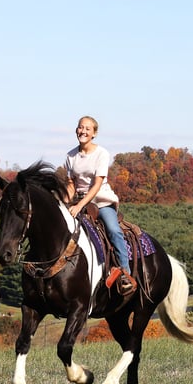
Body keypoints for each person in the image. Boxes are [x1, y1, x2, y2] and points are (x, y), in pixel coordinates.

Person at [64, 115, 134, 295]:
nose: (83, 131)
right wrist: (65, 202)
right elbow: (71, 184)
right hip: (78, 200)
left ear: (94, 134)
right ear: (76, 130)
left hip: (101, 201)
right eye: (81, 127)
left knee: (113, 230)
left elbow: (96, 185)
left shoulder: (101, 154)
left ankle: (125, 272)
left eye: (88, 129)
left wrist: (79, 206)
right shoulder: (70, 156)